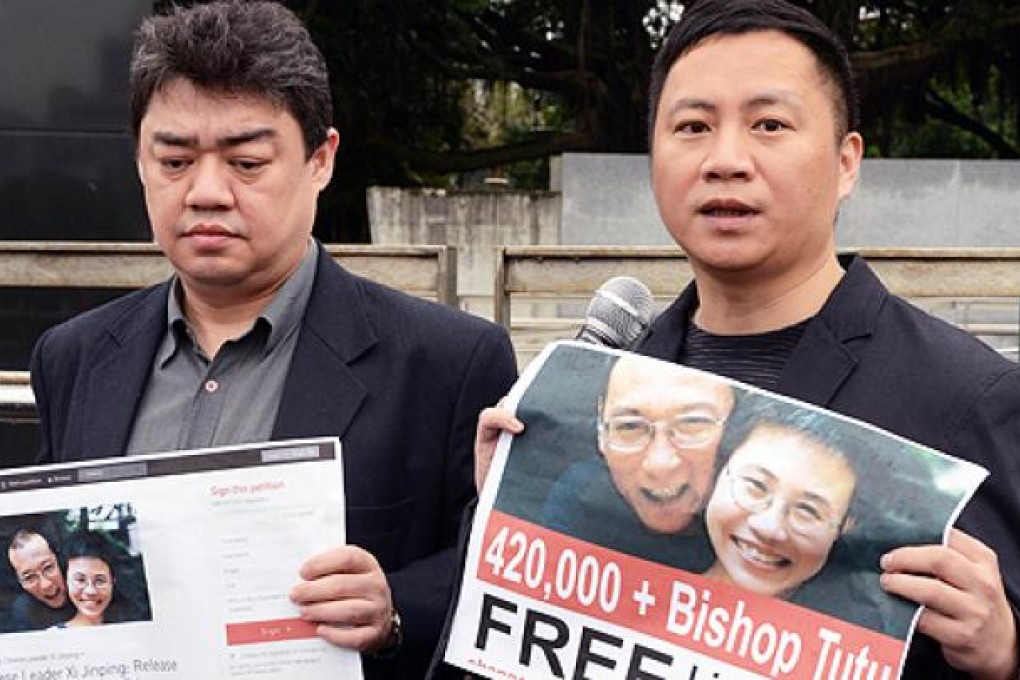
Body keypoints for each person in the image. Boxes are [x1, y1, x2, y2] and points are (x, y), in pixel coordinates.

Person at [475, 1, 1020, 677]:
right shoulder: (603, 394)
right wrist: (504, 520)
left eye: (769, 124)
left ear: (847, 162)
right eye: (693, 127)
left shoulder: (968, 398)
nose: (726, 160)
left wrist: (1005, 650)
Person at [29, 2, 516, 677]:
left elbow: (500, 575)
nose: (205, 193)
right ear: (139, 161)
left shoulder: (449, 362)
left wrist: (395, 608)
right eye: (174, 160)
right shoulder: (73, 358)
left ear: (320, 159)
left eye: (247, 162)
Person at [540, 353, 735, 571]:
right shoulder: (579, 499)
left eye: (692, 423)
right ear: (601, 436)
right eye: (630, 426)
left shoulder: (764, 518)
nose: (660, 464)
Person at [6, 530, 75, 631]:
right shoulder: (24, 611)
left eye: (48, 568)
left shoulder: (86, 589)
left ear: (61, 562)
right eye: (29, 578)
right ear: (19, 583)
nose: (45, 585)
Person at [58, 531, 117, 628]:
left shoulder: (133, 631)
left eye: (100, 581)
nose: (91, 591)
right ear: (65, 581)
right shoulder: (51, 637)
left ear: (113, 581)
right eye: (80, 580)